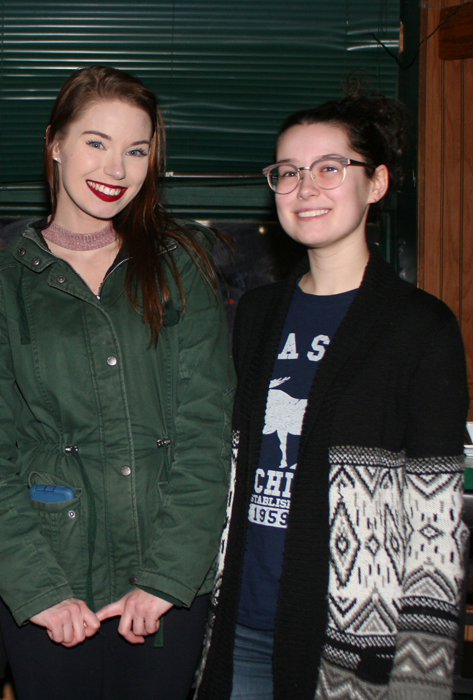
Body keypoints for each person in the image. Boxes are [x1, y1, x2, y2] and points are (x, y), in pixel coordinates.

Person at [0, 65, 235, 700]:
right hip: (50, 581)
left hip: (167, 584)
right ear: (55, 142)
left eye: (136, 150)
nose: (117, 168)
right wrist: (38, 590)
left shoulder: (180, 265)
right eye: (96, 142)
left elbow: (206, 432)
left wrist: (168, 576)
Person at [195, 90, 468, 700]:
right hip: (237, 620)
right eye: (288, 173)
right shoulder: (257, 314)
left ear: (376, 184)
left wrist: (421, 678)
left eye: (329, 168)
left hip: (349, 639)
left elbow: (437, 522)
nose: (304, 187)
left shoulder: (421, 326)